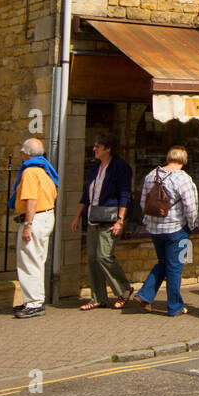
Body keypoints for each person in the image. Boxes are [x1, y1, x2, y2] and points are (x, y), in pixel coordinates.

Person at [73, 131, 134, 310]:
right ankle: (98, 297)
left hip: (111, 218)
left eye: (98, 146)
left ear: (108, 148)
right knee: (92, 258)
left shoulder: (120, 167)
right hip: (93, 217)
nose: (94, 149)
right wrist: (77, 216)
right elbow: (86, 194)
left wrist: (120, 220)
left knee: (104, 256)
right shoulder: (95, 168)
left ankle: (124, 289)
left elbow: (125, 194)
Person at [135, 146, 199, 317]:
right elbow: (191, 207)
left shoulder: (151, 175)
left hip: (155, 229)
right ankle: (175, 306)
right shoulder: (183, 178)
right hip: (176, 229)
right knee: (174, 267)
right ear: (184, 161)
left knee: (164, 262)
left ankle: (145, 296)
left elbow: (143, 202)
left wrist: (151, 221)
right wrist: (192, 225)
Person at [13, 138, 58, 318]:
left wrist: (28, 225)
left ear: (26, 154)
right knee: (37, 261)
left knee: (28, 261)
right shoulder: (45, 170)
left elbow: (31, 199)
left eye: (22, 152)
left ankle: (33, 303)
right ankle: (34, 300)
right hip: (47, 216)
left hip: (36, 218)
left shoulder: (30, 172)